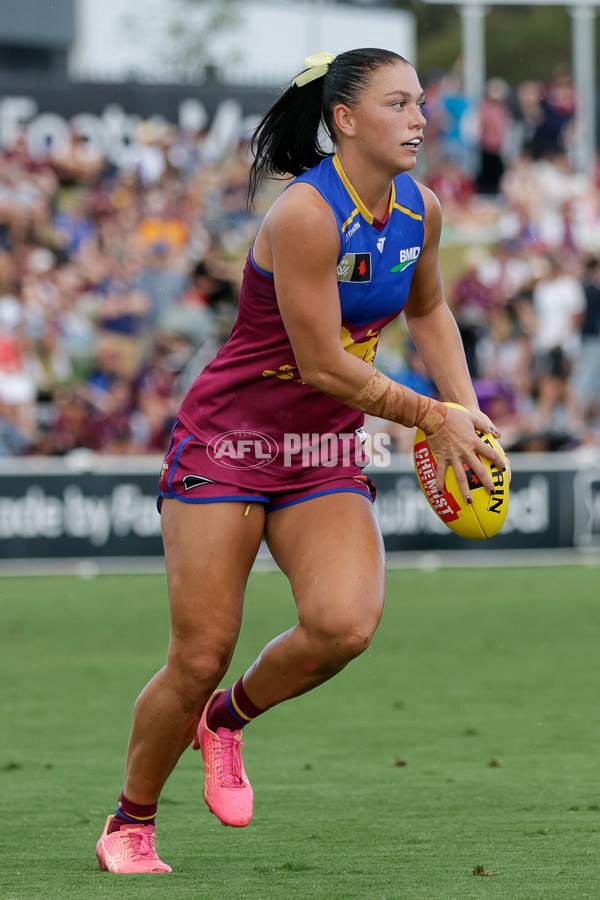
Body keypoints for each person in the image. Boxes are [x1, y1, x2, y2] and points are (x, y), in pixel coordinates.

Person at [96, 47, 505, 874]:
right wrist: (430, 417)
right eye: (399, 103)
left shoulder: (420, 209)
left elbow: (428, 310)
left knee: (343, 626)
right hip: (229, 443)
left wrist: (465, 414)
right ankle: (128, 824)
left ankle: (225, 722)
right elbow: (322, 364)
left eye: (420, 102)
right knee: (200, 651)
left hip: (320, 450)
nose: (421, 118)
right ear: (346, 119)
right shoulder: (305, 217)